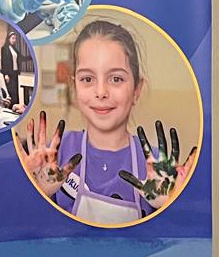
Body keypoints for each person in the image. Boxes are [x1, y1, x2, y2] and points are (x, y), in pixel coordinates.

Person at [19, 19, 194, 226]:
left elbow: (177, 238)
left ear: (136, 90)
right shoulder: (55, 155)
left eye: (116, 79)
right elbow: (28, 233)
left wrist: (168, 206)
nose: (101, 92)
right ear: (74, 87)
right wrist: (37, 195)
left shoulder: (156, 166)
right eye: (87, 79)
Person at [0, 29, 27, 112]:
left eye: (15, 38)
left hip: (15, 73)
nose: (14, 40)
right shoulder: (4, 48)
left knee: (16, 91)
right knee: (11, 91)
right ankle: (10, 108)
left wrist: (31, 58)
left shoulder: (14, 49)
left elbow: (21, 57)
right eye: (12, 38)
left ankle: (15, 107)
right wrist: (5, 74)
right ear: (8, 39)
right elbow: (4, 62)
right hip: (9, 74)